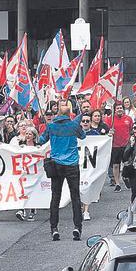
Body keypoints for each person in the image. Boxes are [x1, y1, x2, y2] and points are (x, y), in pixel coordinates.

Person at [38, 100, 85, 242]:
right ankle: (77, 227)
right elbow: (83, 136)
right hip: (71, 164)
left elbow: (41, 140)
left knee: (55, 197)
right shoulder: (74, 125)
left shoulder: (51, 126)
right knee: (75, 197)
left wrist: (47, 130)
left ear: (57, 112)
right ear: (69, 114)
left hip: (56, 164)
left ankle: (54, 228)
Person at [105, 102, 133, 193]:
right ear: (114, 110)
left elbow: (132, 130)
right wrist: (109, 132)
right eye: (117, 108)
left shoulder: (128, 119)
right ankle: (117, 183)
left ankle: (126, 177)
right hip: (115, 145)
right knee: (116, 165)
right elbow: (106, 131)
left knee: (127, 164)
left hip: (126, 145)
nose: (119, 109)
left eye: (121, 108)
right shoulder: (110, 120)